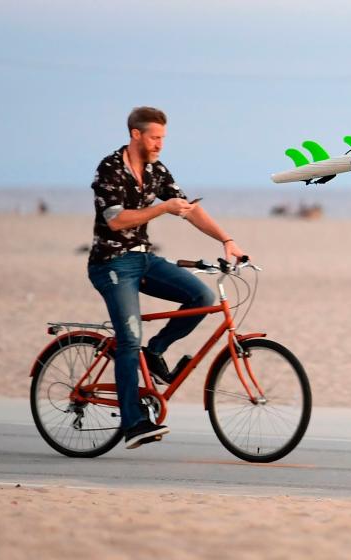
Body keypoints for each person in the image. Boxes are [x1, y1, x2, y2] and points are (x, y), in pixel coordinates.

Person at [87, 106, 245, 450]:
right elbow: (115, 220)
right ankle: (133, 424)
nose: (160, 144)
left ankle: (156, 351)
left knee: (202, 298)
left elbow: (187, 208)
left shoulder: (156, 170)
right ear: (136, 135)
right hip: (111, 264)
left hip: (143, 259)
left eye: (163, 138)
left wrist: (226, 240)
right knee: (128, 339)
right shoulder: (110, 169)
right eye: (155, 137)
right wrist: (162, 208)